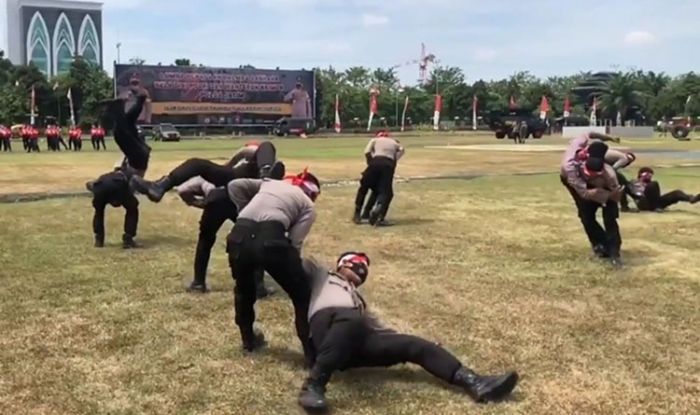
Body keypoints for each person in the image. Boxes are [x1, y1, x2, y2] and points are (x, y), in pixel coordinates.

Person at [297, 253, 519, 413]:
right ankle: (315, 384)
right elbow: (294, 261)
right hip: (325, 329)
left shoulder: (360, 303)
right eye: (356, 263)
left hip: (353, 341)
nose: (361, 268)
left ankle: (475, 382)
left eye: (364, 267)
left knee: (414, 345)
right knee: (354, 320)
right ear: (342, 264)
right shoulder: (323, 275)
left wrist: (430, 347)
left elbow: (385, 333)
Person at [214, 170, 321, 366]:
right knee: (301, 296)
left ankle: (248, 340)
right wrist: (292, 269)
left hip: (240, 233)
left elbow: (235, 185)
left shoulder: (269, 183)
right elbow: (294, 242)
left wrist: (245, 211)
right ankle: (310, 353)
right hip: (271, 238)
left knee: (244, 290)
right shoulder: (308, 205)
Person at [175, 174, 275, 298]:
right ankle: (257, 287)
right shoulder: (243, 174)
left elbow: (182, 190)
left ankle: (198, 283)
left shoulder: (203, 178)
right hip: (235, 199)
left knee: (205, 241)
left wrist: (198, 203)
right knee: (252, 237)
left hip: (215, 200)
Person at [130, 141, 285, 203]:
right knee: (197, 163)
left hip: (257, 179)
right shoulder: (244, 160)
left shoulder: (262, 153)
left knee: (266, 145)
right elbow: (227, 166)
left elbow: (253, 151)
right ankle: (160, 186)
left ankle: (266, 179)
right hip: (233, 178)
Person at [561, 140, 624, 267]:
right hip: (586, 189)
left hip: (608, 191)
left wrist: (609, 197)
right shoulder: (574, 169)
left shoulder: (610, 175)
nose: (593, 176)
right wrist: (594, 191)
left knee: (610, 219)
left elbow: (615, 195)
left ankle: (614, 252)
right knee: (586, 217)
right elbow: (583, 193)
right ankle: (599, 244)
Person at [85, 159, 140, 249]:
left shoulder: (105, 176)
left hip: (100, 187)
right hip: (119, 186)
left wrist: (94, 190)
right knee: (133, 207)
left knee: (99, 212)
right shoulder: (125, 175)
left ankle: (99, 240)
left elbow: (90, 184)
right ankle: (128, 239)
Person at [353, 131, 405, 226]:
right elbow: (402, 149)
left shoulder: (374, 140)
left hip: (375, 163)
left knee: (364, 188)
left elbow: (367, 151)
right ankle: (379, 215)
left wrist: (370, 162)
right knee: (386, 193)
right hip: (388, 165)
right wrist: (394, 159)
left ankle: (357, 214)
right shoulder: (394, 142)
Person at [101, 84, 151, 177]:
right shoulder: (130, 182)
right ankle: (118, 107)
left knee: (128, 123)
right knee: (121, 132)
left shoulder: (128, 179)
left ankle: (140, 100)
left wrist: (120, 168)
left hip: (140, 154)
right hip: (138, 157)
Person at [623, 167, 700, 212]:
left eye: (650, 175)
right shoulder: (632, 183)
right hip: (643, 203)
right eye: (647, 174)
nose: (649, 176)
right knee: (653, 184)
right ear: (640, 174)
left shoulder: (651, 184)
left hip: (656, 202)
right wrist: (625, 206)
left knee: (677, 193)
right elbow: (623, 190)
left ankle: (692, 199)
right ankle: (657, 207)